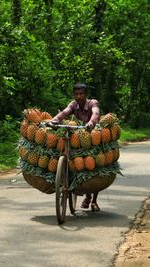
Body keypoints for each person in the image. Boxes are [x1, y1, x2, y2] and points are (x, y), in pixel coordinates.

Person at [50, 83, 101, 211]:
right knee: (76, 162)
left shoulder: (92, 103)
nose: (79, 96)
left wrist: (91, 123)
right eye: (76, 94)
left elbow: (96, 113)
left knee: (94, 164)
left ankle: (93, 200)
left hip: (92, 134)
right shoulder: (73, 104)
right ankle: (79, 189)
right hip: (78, 135)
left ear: (86, 94)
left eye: (81, 93)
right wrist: (55, 120)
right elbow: (64, 112)